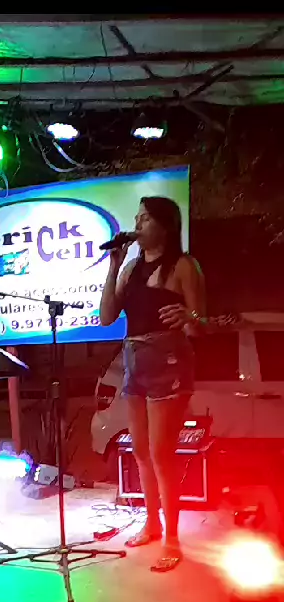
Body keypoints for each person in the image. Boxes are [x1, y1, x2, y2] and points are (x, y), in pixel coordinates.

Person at [99, 196, 205, 572]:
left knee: (161, 453)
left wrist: (189, 316)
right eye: (137, 217)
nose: (137, 224)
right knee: (141, 451)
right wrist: (114, 265)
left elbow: (201, 325)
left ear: (165, 225)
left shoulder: (183, 266)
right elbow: (106, 317)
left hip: (168, 362)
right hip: (134, 361)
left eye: (145, 218)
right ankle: (151, 523)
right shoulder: (130, 267)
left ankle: (172, 538)